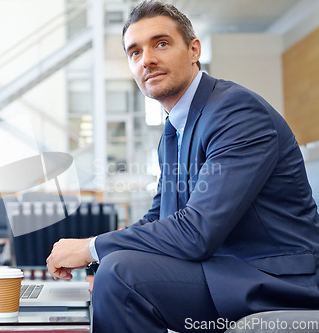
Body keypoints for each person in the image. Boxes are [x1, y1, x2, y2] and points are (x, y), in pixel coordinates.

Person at [46, 1, 319, 332]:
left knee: (121, 274)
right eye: (134, 52)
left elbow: (196, 233)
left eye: (161, 43)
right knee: (113, 271)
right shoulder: (174, 131)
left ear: (194, 50)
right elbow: (158, 218)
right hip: (224, 270)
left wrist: (89, 249)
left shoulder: (236, 112)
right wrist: (94, 254)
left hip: (272, 281)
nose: (146, 59)